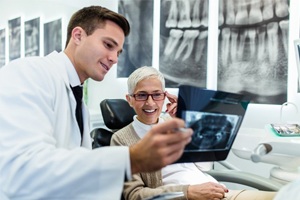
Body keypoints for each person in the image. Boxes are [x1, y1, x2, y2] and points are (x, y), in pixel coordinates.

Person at [0, 6, 193, 199]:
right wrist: (131, 159)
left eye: (118, 52)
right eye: (108, 45)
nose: (115, 59)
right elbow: (23, 173)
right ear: (78, 36)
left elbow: (78, 179)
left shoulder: (77, 100)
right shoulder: (28, 73)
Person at [110, 66, 277, 200]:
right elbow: (135, 195)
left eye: (157, 94)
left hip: (219, 193)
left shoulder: (173, 123)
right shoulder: (121, 139)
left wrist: (189, 122)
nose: (150, 102)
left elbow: (203, 166)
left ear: (164, 96)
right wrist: (188, 193)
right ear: (129, 99)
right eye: (141, 95)